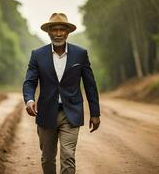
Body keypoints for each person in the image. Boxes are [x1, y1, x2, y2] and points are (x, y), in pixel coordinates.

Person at [22, 12, 101, 174]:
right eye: (55, 30)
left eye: (62, 30)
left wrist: (95, 113)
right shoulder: (37, 55)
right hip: (46, 113)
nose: (58, 33)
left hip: (71, 113)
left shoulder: (80, 54)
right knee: (47, 158)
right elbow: (30, 82)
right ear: (49, 32)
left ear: (68, 32)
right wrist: (29, 100)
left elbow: (90, 85)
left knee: (68, 156)